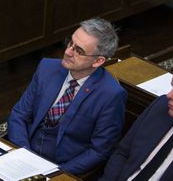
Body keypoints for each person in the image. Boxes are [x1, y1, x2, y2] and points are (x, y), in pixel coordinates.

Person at [7, 18, 126, 175]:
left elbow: (99, 151)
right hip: (25, 152)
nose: (68, 52)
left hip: (62, 168)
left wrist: (57, 174)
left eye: (79, 51)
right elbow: (19, 114)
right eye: (70, 43)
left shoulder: (111, 95)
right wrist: (24, 155)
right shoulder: (47, 67)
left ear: (98, 61)